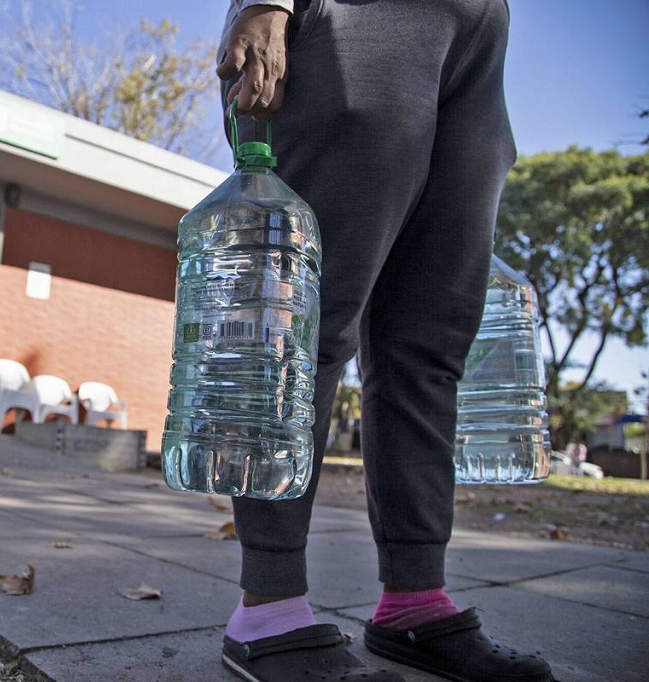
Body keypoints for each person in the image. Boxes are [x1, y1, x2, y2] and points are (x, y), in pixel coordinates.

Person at [215, 2, 556, 681]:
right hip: (364, 16)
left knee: (429, 346)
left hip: (479, 34)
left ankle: (414, 599)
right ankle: (270, 608)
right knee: (306, 321)